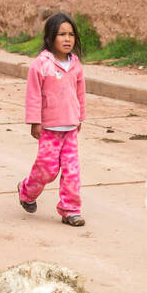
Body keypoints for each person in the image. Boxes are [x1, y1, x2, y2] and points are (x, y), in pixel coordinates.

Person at [18, 13, 86, 227]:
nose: (68, 39)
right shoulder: (41, 65)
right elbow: (34, 94)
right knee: (47, 169)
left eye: (71, 34)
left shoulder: (75, 65)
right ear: (50, 39)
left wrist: (80, 117)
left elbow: (80, 93)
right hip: (48, 127)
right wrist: (34, 121)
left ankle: (70, 209)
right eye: (62, 35)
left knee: (72, 171)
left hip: (70, 127)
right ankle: (27, 191)